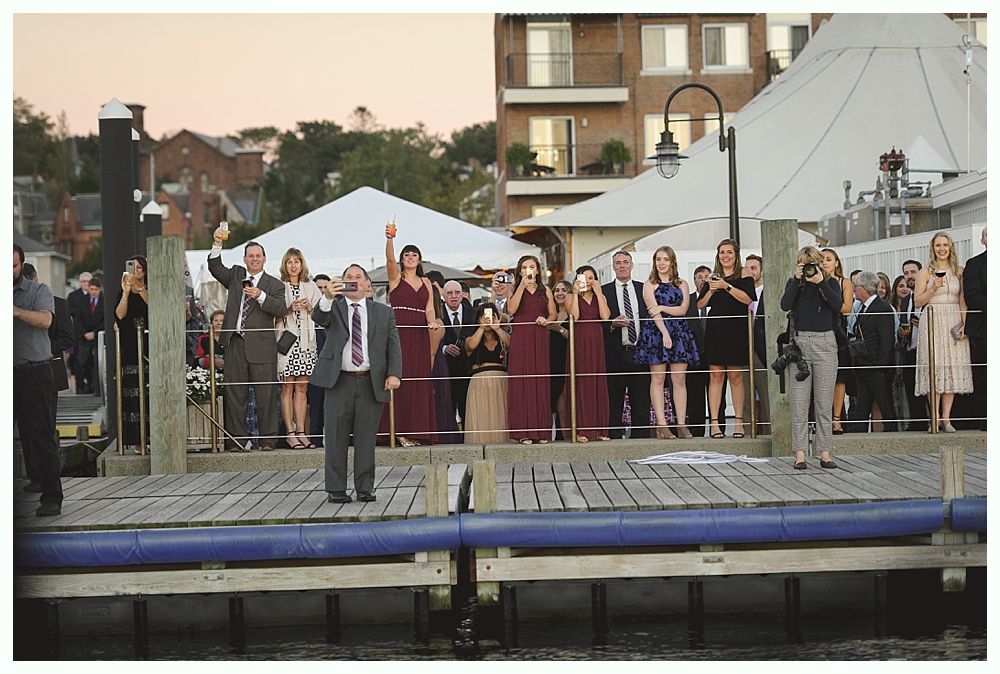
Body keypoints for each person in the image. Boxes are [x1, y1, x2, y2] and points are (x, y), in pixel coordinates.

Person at [312, 264, 402, 503]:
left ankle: (365, 488)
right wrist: (328, 296)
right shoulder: (334, 307)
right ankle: (336, 489)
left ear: (367, 284)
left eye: (357, 277)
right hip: (338, 381)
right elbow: (319, 317)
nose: (353, 280)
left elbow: (393, 345)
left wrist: (394, 374)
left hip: (369, 381)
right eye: (348, 277)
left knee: (365, 439)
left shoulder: (383, 312)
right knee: (334, 438)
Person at [208, 229, 287, 451]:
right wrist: (216, 243)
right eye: (250, 256)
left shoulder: (274, 284)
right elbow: (215, 267)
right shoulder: (235, 275)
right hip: (235, 343)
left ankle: (268, 440)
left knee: (266, 396)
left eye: (258, 256)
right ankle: (236, 440)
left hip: (262, 347)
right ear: (244, 259)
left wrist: (260, 296)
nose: (254, 259)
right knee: (235, 393)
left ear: (264, 259)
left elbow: (281, 308)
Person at [781, 246, 842, 470]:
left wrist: (820, 282)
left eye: (813, 264)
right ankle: (800, 453)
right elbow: (784, 305)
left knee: (824, 403)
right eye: (804, 264)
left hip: (826, 343)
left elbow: (838, 306)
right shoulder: (794, 283)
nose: (809, 269)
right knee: (799, 403)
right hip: (800, 344)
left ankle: (825, 452)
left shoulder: (831, 283)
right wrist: (798, 282)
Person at [14, 244, 64, 516]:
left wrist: (15, 311)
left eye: (13, 265)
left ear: (22, 265)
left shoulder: (38, 291)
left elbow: (46, 320)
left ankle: (52, 497)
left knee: (41, 435)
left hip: (34, 371)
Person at [380, 225, 440, 446]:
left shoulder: (426, 282)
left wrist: (431, 321)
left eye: (414, 254)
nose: (411, 257)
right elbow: (388, 261)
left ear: (420, 259)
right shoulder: (396, 277)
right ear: (402, 259)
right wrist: (389, 240)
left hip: (420, 332)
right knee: (400, 377)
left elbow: (430, 308)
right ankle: (400, 431)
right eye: (407, 254)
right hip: (400, 330)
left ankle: (416, 431)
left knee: (419, 379)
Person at [635, 246, 699, 439]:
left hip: (680, 333)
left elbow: (683, 309)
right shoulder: (649, 284)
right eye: (658, 259)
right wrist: (664, 334)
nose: (661, 263)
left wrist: (663, 306)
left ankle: (681, 424)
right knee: (658, 379)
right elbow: (652, 313)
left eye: (665, 259)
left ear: (672, 262)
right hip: (656, 333)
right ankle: (662, 425)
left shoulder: (682, 284)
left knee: (679, 380)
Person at [20, 263, 73, 493]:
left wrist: (40, 348)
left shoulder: (58, 304)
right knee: (25, 428)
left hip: (47, 370)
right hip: (20, 371)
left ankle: (49, 477)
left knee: (45, 426)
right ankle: (34, 476)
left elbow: (67, 338)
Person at [914, 232, 973, 432]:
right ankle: (934, 417)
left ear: (950, 247)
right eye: (938, 245)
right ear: (933, 248)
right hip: (932, 317)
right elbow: (918, 302)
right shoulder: (925, 272)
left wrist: (965, 324)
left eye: (945, 245)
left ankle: (946, 419)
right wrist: (932, 289)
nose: (942, 249)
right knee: (935, 367)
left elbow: (962, 300)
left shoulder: (959, 271)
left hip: (953, 317)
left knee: (951, 367)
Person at [696, 239, 755, 439]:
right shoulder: (713, 277)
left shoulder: (744, 274)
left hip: (736, 329)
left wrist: (726, 286)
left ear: (736, 255)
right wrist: (713, 288)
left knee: (736, 377)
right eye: (722, 252)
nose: (725, 256)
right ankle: (714, 424)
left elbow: (748, 299)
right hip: (716, 330)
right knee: (715, 376)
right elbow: (700, 305)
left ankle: (739, 422)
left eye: (729, 252)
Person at [506, 255, 557, 444]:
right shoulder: (514, 288)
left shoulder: (546, 290)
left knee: (539, 381)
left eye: (532, 267)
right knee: (522, 382)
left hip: (539, 335)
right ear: (520, 271)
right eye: (525, 267)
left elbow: (552, 313)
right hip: (521, 336)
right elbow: (511, 310)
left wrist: (547, 320)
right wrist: (521, 286)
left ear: (537, 270)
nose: (529, 270)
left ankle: (541, 432)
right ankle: (523, 432)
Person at [276, 247, 322, 450]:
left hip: (307, 342)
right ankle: (290, 432)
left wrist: (309, 307)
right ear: (285, 265)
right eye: (289, 262)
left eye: (297, 261)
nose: (293, 265)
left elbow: (322, 313)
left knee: (302, 387)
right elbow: (272, 312)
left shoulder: (310, 285)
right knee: (287, 387)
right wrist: (288, 309)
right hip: (287, 341)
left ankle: (302, 431)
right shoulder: (279, 286)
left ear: (302, 264)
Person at [602, 251, 651, 439]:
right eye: (618, 263)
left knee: (641, 400)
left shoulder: (643, 288)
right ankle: (614, 438)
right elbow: (597, 321)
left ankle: (641, 440)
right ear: (613, 267)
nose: (622, 266)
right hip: (615, 352)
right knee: (614, 399)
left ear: (632, 265)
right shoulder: (605, 292)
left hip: (639, 351)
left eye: (625, 262)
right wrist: (612, 324)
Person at [847, 272, 897, 433]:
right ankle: (859, 441)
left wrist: (881, 366)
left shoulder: (882, 308)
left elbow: (887, 340)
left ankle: (893, 438)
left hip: (878, 369)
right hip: (863, 367)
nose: (854, 290)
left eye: (856, 287)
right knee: (861, 408)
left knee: (886, 407)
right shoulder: (863, 308)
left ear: (864, 289)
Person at [569, 265, 611, 442]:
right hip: (579, 339)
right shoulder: (572, 297)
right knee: (582, 382)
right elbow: (575, 316)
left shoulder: (599, 297)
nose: (588, 281)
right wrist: (576, 293)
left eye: (591, 277)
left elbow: (605, 316)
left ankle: (600, 429)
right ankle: (581, 430)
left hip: (596, 338)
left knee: (597, 381)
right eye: (584, 277)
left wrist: (599, 294)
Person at [114, 255, 150, 453]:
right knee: (133, 394)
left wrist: (140, 288)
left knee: (148, 392)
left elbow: (154, 308)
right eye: (132, 268)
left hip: (149, 343)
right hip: (130, 347)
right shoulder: (122, 291)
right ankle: (136, 440)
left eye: (139, 268)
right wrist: (127, 292)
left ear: (145, 271)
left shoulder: (148, 289)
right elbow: (120, 315)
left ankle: (151, 437)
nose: (136, 271)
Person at [463, 302, 510, 443]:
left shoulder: (502, 337)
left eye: (491, 316)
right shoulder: (471, 336)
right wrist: (482, 327)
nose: (488, 319)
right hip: (480, 381)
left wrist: (498, 329)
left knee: (500, 417)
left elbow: (511, 345)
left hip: (501, 381)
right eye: (483, 316)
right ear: (478, 319)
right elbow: (470, 346)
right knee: (481, 417)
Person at [820, 248, 854, 435]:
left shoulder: (844, 282)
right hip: (818, 328)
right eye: (822, 259)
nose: (825, 262)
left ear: (836, 263)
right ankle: (821, 419)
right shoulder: (813, 282)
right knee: (821, 378)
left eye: (828, 259)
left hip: (838, 330)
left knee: (839, 378)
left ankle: (836, 419)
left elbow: (847, 308)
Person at [742, 254, 770, 436]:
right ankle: (746, 431)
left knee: (766, 394)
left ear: (761, 270)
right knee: (744, 394)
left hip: (762, 349)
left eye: (754, 268)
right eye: (747, 268)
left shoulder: (768, 291)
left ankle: (769, 432)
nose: (750, 271)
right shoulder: (742, 292)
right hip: (743, 347)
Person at [441, 280, 475, 431]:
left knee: (467, 409)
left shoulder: (473, 313)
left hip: (469, 370)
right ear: (443, 296)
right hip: (446, 369)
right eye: (449, 293)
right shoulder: (437, 313)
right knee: (447, 409)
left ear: (463, 295)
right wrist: (444, 348)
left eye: (457, 293)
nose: (453, 296)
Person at [898, 259, 928, 431]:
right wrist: (903, 332)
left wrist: (921, 323)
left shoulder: (928, 295)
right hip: (909, 347)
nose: (910, 276)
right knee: (910, 386)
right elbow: (903, 321)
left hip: (926, 348)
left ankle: (934, 420)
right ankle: (917, 422)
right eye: (906, 273)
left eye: (913, 272)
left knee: (928, 386)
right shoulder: (905, 299)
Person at [962, 227, 986, 431]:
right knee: (984, 375)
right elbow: (972, 296)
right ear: (983, 239)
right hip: (983, 329)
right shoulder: (974, 264)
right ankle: (987, 417)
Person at [685, 266, 711, 437]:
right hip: (693, 355)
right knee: (694, 396)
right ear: (694, 280)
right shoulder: (687, 301)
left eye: (706, 277)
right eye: (699, 276)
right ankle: (696, 431)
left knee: (717, 394)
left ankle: (718, 428)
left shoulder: (717, 299)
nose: (702, 280)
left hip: (714, 353)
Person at [306, 274, 331, 447]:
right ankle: (315, 438)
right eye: (319, 288)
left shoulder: (336, 308)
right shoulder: (307, 311)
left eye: (325, 287)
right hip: (313, 364)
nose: (322, 291)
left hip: (333, 364)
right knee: (315, 403)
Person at [74, 275, 104, 395]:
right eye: (91, 289)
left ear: (99, 289)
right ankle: (90, 383)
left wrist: (95, 333)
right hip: (84, 336)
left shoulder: (104, 300)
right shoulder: (82, 300)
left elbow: (105, 320)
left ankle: (97, 388)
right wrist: (84, 333)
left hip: (98, 336)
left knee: (98, 362)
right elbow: (78, 318)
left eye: (96, 289)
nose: (93, 292)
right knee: (83, 361)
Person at [66, 271, 92, 391]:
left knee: (91, 360)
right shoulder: (73, 296)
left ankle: (92, 384)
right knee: (77, 360)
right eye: (83, 281)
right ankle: (80, 385)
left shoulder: (95, 293)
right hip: (77, 332)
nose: (86, 283)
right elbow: (69, 311)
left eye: (88, 281)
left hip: (92, 330)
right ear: (80, 283)